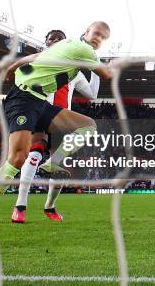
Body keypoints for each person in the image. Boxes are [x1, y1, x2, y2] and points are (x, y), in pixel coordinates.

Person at [0, 21, 111, 228]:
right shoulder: (84, 50)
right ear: (86, 32)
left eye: (103, 37)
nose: (98, 38)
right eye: (96, 33)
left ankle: (52, 169)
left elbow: (32, 57)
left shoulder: (64, 51)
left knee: (88, 125)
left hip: (40, 102)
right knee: (18, 157)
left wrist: (11, 69)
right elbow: (107, 75)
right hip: (23, 99)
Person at [11, 30, 101, 224]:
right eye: (51, 38)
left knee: (58, 165)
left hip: (61, 119)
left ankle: (49, 206)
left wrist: (96, 68)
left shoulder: (74, 70)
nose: (54, 42)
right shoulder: (38, 62)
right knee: (35, 153)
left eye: (59, 39)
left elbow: (92, 94)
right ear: (45, 42)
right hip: (38, 111)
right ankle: (20, 206)